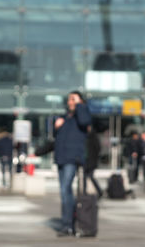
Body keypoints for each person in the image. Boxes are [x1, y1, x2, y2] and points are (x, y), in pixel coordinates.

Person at [54, 91, 92, 236]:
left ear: (80, 101)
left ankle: (67, 224)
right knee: (64, 192)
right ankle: (69, 223)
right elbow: (55, 138)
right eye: (69, 99)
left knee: (65, 190)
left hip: (72, 158)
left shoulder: (82, 113)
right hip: (61, 158)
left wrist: (79, 105)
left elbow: (84, 122)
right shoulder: (65, 117)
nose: (70, 101)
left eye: (73, 99)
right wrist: (56, 126)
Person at [84, 126, 103, 199]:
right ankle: (85, 192)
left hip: (91, 161)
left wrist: (94, 158)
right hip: (87, 161)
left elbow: (98, 149)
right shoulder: (87, 136)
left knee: (89, 177)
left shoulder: (93, 137)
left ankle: (99, 191)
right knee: (86, 177)